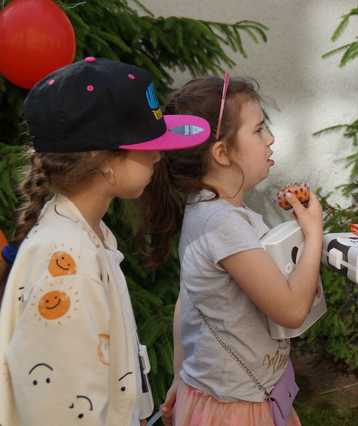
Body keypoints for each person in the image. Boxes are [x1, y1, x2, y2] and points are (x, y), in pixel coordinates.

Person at [0, 57, 211, 426]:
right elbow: (61, 410)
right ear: (105, 160)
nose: (159, 155)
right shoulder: (68, 263)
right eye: (149, 145)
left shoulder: (89, 234)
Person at [139, 75, 323, 426]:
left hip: (241, 395)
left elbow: (186, 301)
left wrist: (181, 373)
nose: (270, 139)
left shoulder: (209, 210)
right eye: (258, 130)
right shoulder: (222, 223)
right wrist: (313, 233)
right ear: (222, 153)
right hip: (236, 410)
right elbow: (291, 309)